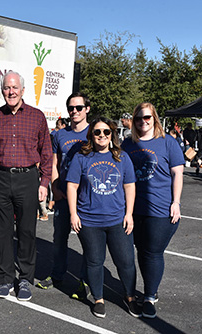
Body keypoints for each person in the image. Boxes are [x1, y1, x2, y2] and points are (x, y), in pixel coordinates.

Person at [0, 71, 52, 301]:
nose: (11, 92)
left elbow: (47, 153)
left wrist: (44, 182)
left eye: (14, 88)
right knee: (2, 231)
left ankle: (26, 279)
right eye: (7, 88)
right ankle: (5, 278)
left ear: (22, 90)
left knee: (27, 232)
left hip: (28, 178)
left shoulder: (37, 116)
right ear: (3, 91)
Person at [67, 117, 139, 318]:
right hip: (89, 221)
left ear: (112, 135)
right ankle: (98, 298)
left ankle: (130, 297)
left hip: (117, 220)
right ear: (91, 135)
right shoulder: (81, 158)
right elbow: (71, 186)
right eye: (97, 132)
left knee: (125, 261)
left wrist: (129, 214)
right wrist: (73, 214)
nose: (101, 136)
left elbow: (129, 186)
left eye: (106, 132)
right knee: (94, 261)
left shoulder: (122, 158)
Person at [121, 102, 184, 318]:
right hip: (133, 209)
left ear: (154, 118)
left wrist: (176, 202)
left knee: (153, 252)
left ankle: (149, 296)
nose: (143, 122)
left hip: (159, 208)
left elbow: (177, 174)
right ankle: (147, 290)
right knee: (141, 250)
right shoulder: (127, 143)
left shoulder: (168, 143)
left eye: (147, 117)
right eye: (138, 118)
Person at [36, 92, 90, 297]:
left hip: (86, 198)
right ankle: (57, 274)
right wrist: (55, 187)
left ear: (87, 109)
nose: (74, 111)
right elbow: (54, 163)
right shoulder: (60, 135)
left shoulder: (94, 132)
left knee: (87, 241)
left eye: (78, 107)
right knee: (59, 238)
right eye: (71, 108)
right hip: (63, 197)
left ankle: (85, 281)